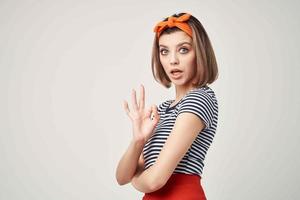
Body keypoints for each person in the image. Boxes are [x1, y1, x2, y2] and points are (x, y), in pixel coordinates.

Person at [115, 12, 219, 200]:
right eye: (164, 51)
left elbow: (155, 180)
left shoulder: (200, 98)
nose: (173, 60)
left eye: (184, 49)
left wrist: (135, 177)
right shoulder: (163, 109)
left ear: (200, 52)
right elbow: (121, 177)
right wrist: (138, 140)